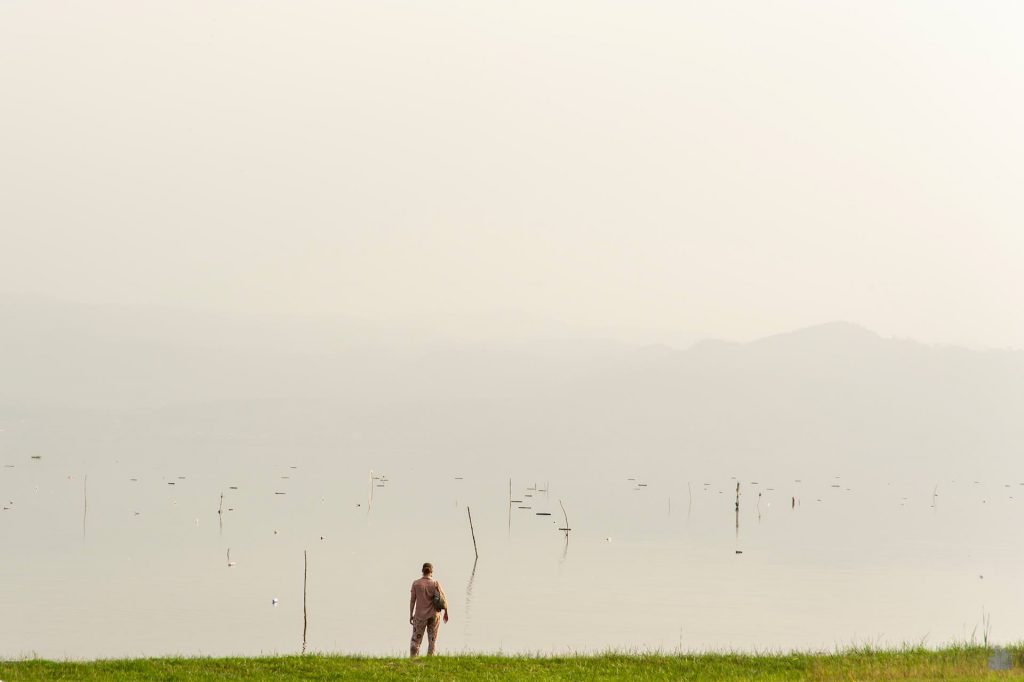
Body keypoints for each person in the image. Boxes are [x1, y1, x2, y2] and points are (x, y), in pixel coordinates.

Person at [409, 562, 448, 657]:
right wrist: (446, 612)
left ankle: (414, 659)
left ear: (422, 571)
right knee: (432, 639)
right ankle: (430, 658)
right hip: (434, 615)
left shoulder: (416, 584)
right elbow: (444, 599)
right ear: (432, 571)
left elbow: (412, 601)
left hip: (420, 616)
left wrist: (411, 615)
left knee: (416, 639)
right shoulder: (435, 584)